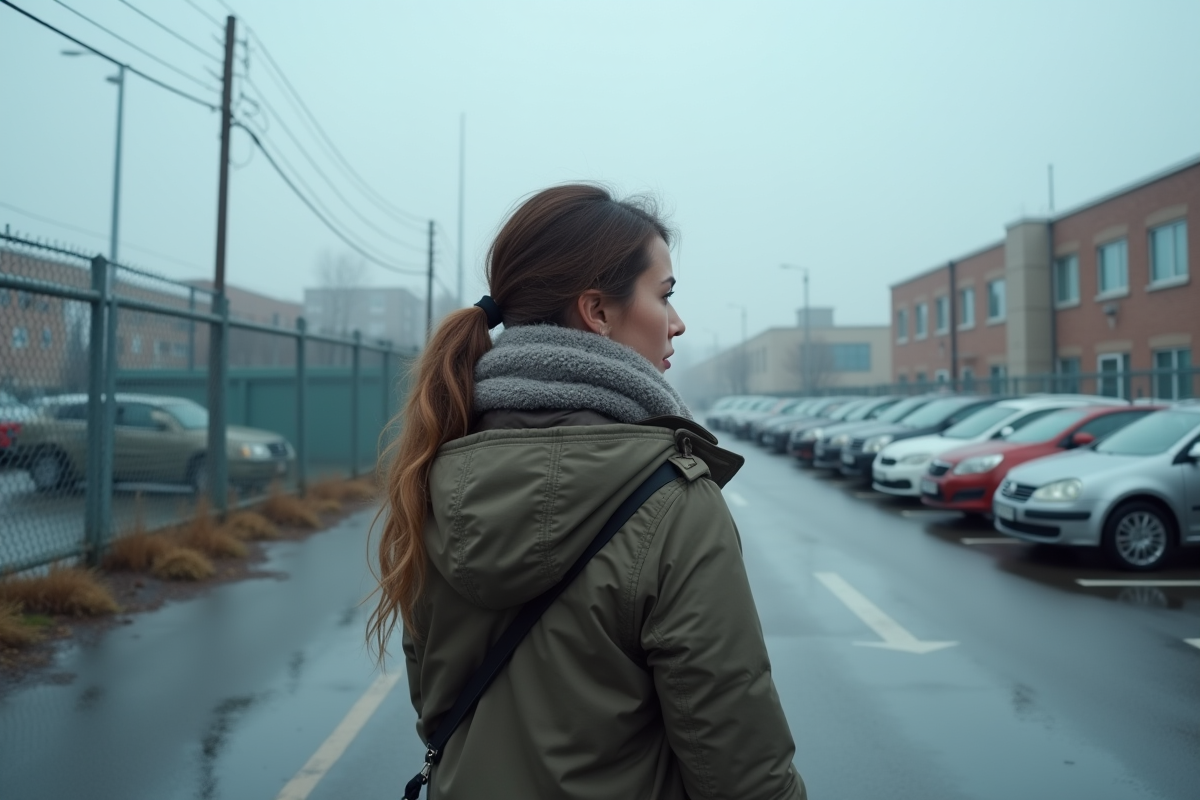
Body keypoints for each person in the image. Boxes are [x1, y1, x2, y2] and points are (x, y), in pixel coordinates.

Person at [369, 184, 806, 799]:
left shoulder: (432, 476)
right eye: (665, 295)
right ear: (597, 312)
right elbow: (739, 765)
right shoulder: (674, 500)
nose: (678, 322)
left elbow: (434, 703)